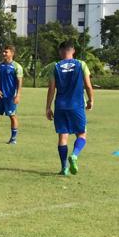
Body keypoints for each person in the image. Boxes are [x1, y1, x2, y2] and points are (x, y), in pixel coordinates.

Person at [45, 40, 94, 176]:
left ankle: (64, 168)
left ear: (61, 51)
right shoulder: (81, 64)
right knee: (82, 134)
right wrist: (91, 100)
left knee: (63, 137)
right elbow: (88, 86)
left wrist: (48, 107)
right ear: (73, 51)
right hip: (76, 105)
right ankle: (74, 155)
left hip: (60, 106)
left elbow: (51, 88)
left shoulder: (55, 66)